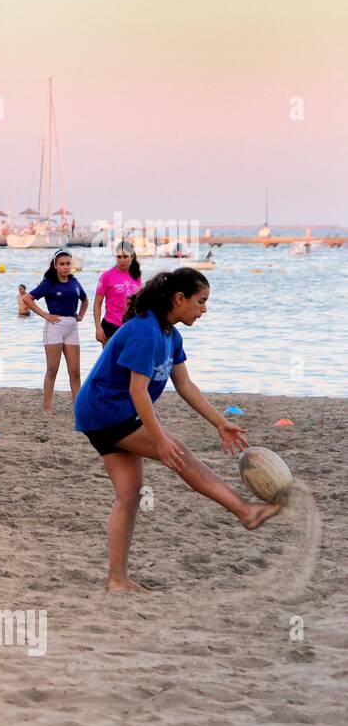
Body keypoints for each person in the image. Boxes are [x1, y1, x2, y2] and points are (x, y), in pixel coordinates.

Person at [75, 268, 281, 593]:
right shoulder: (145, 331)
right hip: (106, 411)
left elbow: (185, 385)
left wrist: (220, 422)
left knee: (129, 496)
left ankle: (116, 580)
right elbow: (137, 391)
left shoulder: (171, 334)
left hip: (108, 412)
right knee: (179, 451)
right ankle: (245, 511)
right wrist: (160, 440)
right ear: (179, 298)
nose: (204, 310)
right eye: (201, 302)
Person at [21, 249, 88, 413]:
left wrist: (80, 315)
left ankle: (77, 407)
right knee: (52, 369)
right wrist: (45, 315)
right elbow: (27, 299)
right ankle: (47, 408)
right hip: (54, 327)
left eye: (68, 264)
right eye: (62, 264)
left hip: (72, 327)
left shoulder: (74, 281)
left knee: (75, 372)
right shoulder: (49, 283)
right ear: (55, 265)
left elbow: (85, 300)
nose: (65, 267)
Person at [94, 240, 142, 346]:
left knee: (130, 362)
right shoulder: (107, 276)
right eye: (119, 257)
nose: (122, 260)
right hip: (111, 326)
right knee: (111, 362)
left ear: (132, 256)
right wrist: (98, 327)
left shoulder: (136, 276)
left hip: (131, 326)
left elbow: (139, 303)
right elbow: (97, 303)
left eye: (125, 257)